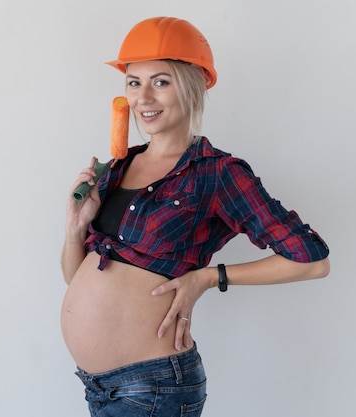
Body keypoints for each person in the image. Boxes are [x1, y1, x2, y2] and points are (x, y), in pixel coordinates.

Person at [60, 16, 330, 417]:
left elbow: (311, 261)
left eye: (161, 81)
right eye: (133, 82)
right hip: (97, 386)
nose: (143, 97)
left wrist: (208, 277)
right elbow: (75, 278)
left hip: (152, 388)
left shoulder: (218, 173)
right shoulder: (118, 168)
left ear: (194, 84)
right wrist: (76, 226)